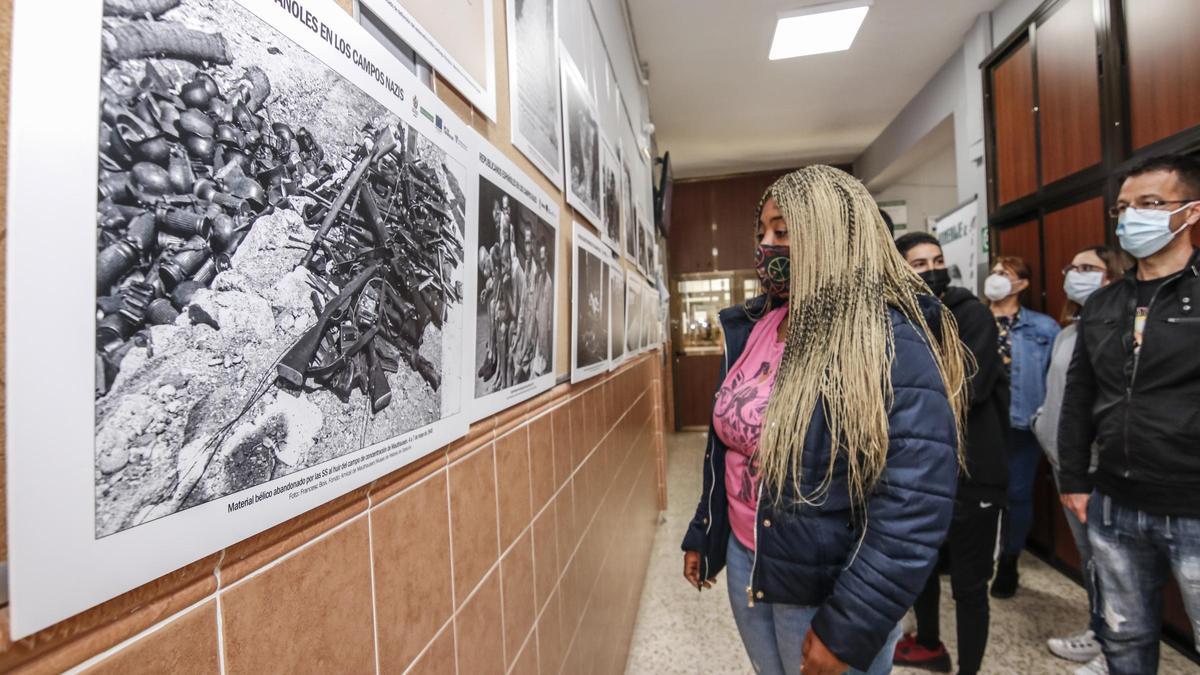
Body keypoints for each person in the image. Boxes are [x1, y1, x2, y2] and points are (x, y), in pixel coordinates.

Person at [680, 166, 969, 675]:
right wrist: (705, 533)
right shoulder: (756, 326)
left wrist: (851, 623)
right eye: (762, 233)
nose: (767, 246)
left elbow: (913, 507)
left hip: (827, 584)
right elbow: (727, 444)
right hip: (751, 558)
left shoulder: (887, 341)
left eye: (783, 233)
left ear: (832, 234)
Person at [1058, 154, 1200, 675]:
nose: (1130, 217)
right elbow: (1079, 396)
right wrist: (1074, 476)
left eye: (1149, 204)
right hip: (1115, 502)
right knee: (1123, 639)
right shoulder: (1103, 305)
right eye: (1123, 208)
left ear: (1189, 212)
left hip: (1193, 502)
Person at [891, 232, 1009, 675]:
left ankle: (970, 670)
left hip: (974, 470)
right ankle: (927, 644)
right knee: (920, 570)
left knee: (969, 584)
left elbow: (970, 389)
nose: (932, 269)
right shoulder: (899, 318)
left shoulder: (970, 313)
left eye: (937, 260)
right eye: (918, 264)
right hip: (921, 472)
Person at [1030, 245, 1127, 675]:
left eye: (1089, 268)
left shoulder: (1119, 328)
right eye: (1073, 267)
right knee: (1092, 562)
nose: (1075, 274)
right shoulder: (1069, 330)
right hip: (1064, 465)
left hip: (1095, 470)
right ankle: (1098, 631)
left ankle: (1115, 649)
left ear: (1112, 277)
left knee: (1110, 566)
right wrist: (1039, 423)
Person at [985, 255, 1060, 598]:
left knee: (1016, 496)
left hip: (1021, 424)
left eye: (1005, 273)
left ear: (1023, 284)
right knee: (975, 496)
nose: (997, 278)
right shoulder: (972, 319)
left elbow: (1057, 381)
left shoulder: (1044, 328)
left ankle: (1009, 562)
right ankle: (971, 556)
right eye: (995, 272)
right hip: (979, 423)